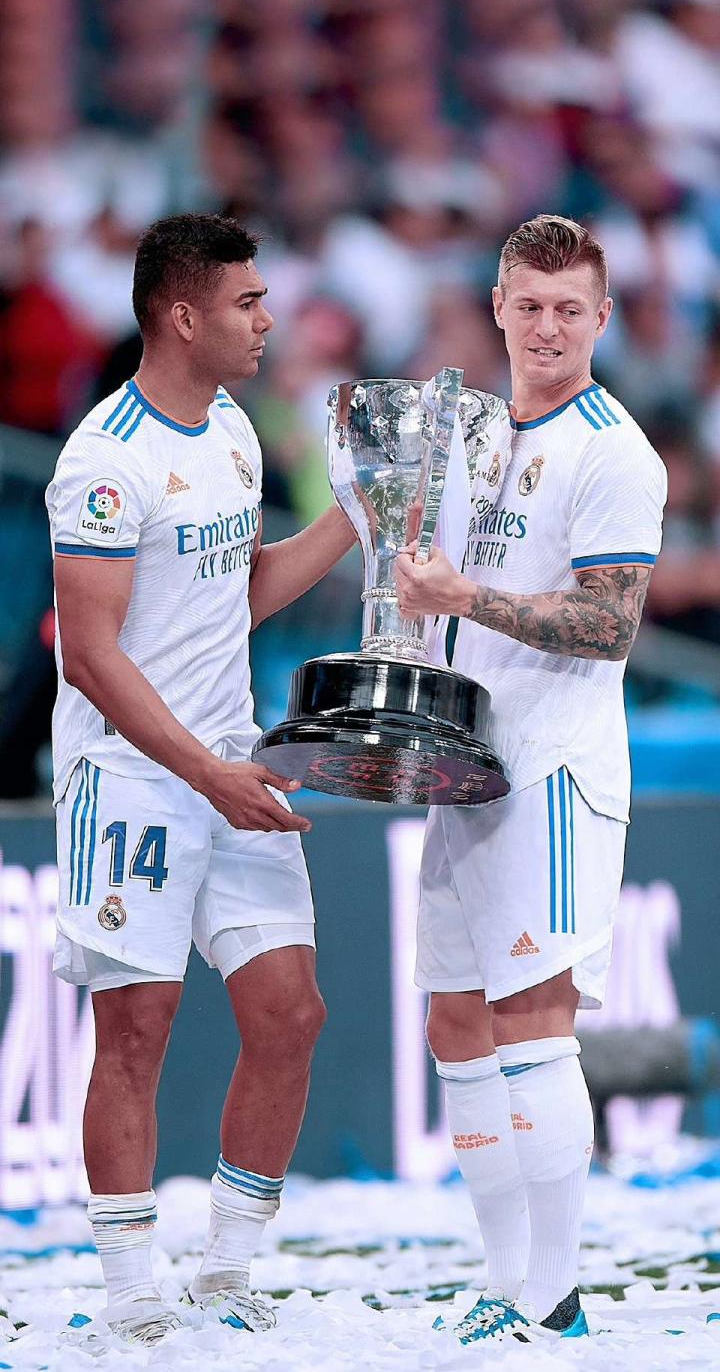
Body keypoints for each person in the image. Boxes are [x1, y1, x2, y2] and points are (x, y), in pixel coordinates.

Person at [45, 213, 355, 1348]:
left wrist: (359, 516)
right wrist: (205, 773)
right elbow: (90, 655)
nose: (268, 319)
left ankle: (226, 1272)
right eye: (247, 302)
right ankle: (133, 1288)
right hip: (131, 774)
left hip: (232, 757)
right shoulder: (104, 461)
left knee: (292, 1012)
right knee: (136, 1030)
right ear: (183, 316)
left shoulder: (229, 427)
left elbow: (239, 591)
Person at [395, 214, 667, 1347]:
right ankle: (505, 1278)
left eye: (569, 309)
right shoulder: (473, 437)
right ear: (498, 309)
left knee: (531, 1020)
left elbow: (609, 624)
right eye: (529, 305)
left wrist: (464, 598)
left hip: (551, 770)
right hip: (464, 764)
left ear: (602, 318)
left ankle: (554, 1294)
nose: (548, 327)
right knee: (455, 1022)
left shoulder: (616, 451)